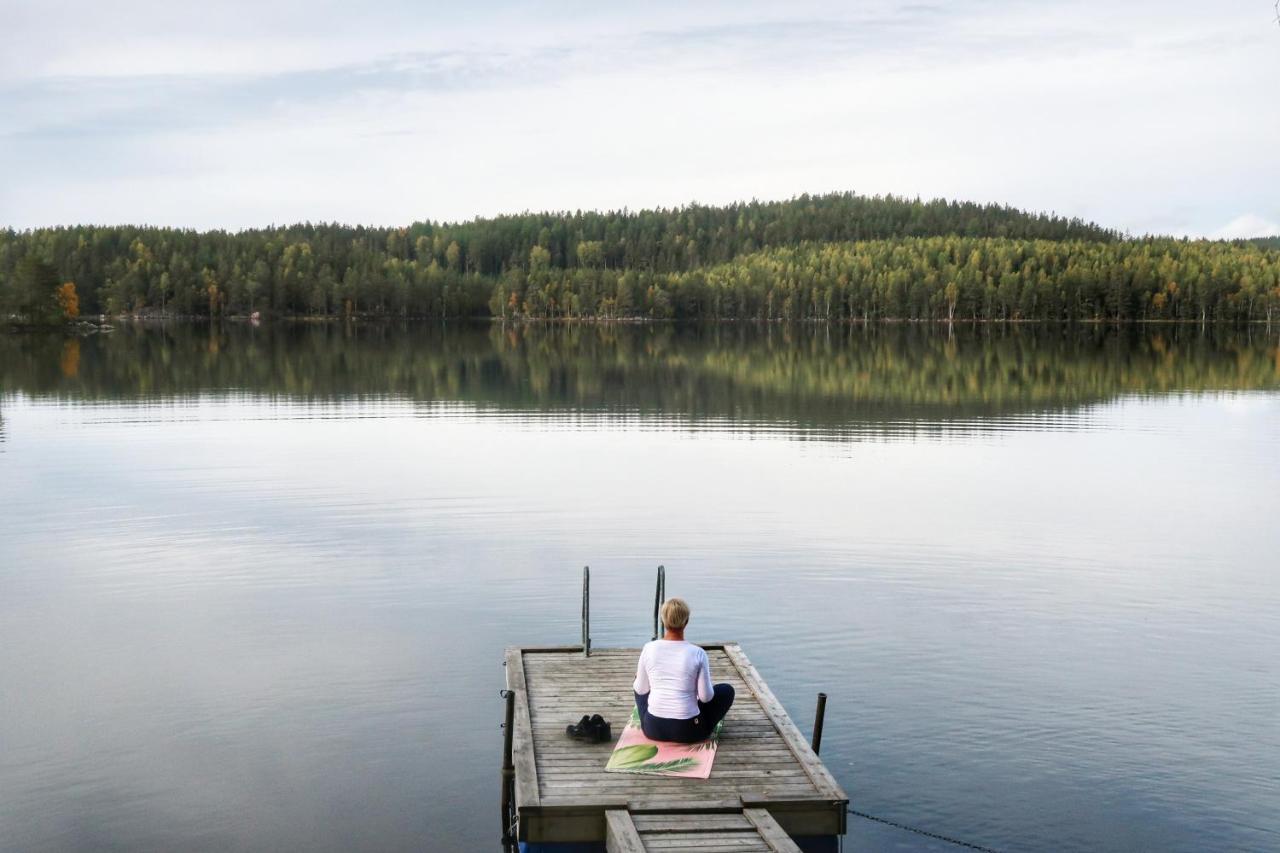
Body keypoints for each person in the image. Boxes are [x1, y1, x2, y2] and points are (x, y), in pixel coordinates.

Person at [632, 597, 735, 743]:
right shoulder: (698, 653)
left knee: (638, 681)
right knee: (726, 690)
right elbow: (706, 698)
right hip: (689, 731)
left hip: (653, 729)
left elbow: (641, 690)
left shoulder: (649, 648)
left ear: (663, 620)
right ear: (686, 622)